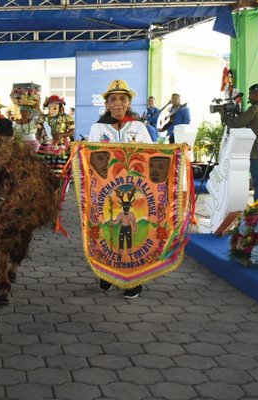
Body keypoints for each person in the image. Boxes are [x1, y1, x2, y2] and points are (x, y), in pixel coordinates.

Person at [0, 114, 58, 306]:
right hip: (41, 208)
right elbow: (53, 180)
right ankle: (13, 269)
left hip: (18, 206)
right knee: (22, 233)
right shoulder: (27, 151)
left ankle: (1, 289)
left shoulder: (0, 154)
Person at [88, 79, 151, 299]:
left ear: (129, 102)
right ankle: (107, 274)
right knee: (107, 233)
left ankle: (132, 280)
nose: (117, 103)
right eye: (113, 99)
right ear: (106, 104)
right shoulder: (98, 128)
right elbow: (90, 159)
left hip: (136, 194)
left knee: (132, 239)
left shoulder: (139, 127)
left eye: (122, 99)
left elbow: (152, 155)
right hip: (106, 194)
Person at [220, 83, 258, 200]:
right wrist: (244, 115)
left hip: (256, 152)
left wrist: (223, 115)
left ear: (257, 94)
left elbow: (235, 124)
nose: (249, 98)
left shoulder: (254, 109)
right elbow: (256, 120)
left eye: (250, 95)